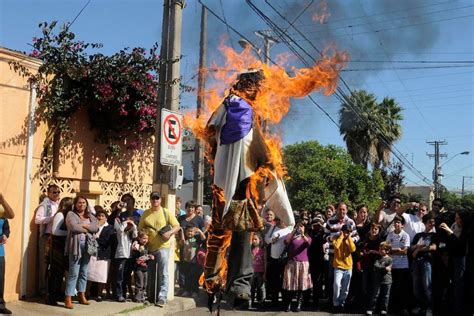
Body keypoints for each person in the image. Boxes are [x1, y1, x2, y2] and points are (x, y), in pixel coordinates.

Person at [202, 69, 295, 311]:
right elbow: (256, 148)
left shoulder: (226, 105)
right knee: (239, 232)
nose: (262, 92)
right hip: (241, 182)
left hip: (225, 181)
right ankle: (237, 286)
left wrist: (214, 153)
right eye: (259, 87)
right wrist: (268, 165)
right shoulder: (247, 110)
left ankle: (215, 283)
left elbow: (209, 130)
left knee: (220, 231)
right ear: (250, 86)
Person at [138, 191, 180, 307]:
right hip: (150, 247)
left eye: (157, 198)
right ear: (150, 200)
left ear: (160, 200)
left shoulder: (166, 212)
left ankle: (162, 297)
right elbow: (140, 229)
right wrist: (143, 238)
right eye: (153, 198)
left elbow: (177, 226)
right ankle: (151, 296)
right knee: (150, 272)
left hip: (163, 247)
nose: (155, 200)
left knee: (163, 272)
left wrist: (170, 233)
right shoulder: (146, 213)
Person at [64, 196, 99, 309]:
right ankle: (68, 297)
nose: (82, 205)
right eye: (79, 203)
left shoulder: (90, 216)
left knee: (84, 272)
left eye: (84, 203)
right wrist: (87, 228)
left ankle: (81, 295)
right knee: (74, 273)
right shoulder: (71, 214)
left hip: (88, 248)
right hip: (75, 247)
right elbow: (73, 227)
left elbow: (96, 228)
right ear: (75, 204)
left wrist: (84, 226)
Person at [439, 209, 471, 314]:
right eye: (455, 217)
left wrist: (450, 233)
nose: (456, 220)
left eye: (458, 218)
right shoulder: (454, 226)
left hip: (462, 260)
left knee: (459, 286)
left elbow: (461, 246)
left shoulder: (468, 229)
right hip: (452, 259)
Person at [35, 184, 61, 296]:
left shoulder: (60, 205)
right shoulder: (44, 205)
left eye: (58, 192)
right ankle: (42, 290)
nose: (56, 194)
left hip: (58, 238)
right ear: (49, 193)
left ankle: (54, 289)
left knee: (56, 264)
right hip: (47, 237)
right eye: (54, 192)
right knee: (44, 263)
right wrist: (50, 219)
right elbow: (37, 220)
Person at [47, 197, 73, 306]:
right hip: (58, 247)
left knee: (62, 272)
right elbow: (55, 231)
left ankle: (58, 294)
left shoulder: (68, 215)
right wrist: (69, 233)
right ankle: (51, 297)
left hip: (64, 247)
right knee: (56, 273)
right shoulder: (60, 215)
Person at [410, 213, 437, 315]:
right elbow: (411, 248)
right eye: (430, 222)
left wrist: (419, 249)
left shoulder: (435, 235)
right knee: (416, 287)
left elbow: (433, 247)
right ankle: (420, 306)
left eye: (433, 222)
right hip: (416, 262)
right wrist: (417, 246)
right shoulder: (418, 235)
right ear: (425, 223)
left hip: (427, 262)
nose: (432, 224)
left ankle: (430, 308)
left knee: (427, 286)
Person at [282, 221, 312, 313]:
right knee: (290, 285)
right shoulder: (291, 236)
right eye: (298, 226)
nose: (300, 228)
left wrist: (302, 234)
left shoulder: (307, 237)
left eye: (302, 226)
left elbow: (308, 243)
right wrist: (293, 231)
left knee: (301, 285)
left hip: (303, 264)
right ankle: (288, 304)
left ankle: (299, 304)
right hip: (292, 263)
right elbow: (286, 241)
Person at [86, 209, 114, 302]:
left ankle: (100, 294)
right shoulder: (93, 226)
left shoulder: (110, 227)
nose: (100, 218)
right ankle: (86, 293)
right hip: (92, 252)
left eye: (102, 216)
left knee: (101, 275)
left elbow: (106, 241)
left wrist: (96, 239)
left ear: (106, 218)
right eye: (98, 216)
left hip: (103, 254)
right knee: (89, 274)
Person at [264, 217, 292, 307]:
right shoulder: (273, 228)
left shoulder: (289, 229)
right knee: (274, 280)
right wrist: (272, 240)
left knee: (284, 281)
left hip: (284, 259)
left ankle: (285, 301)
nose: (281, 222)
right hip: (273, 258)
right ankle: (274, 301)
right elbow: (266, 238)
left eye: (283, 220)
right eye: (280, 220)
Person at [386, 214, 410, 314]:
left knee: (402, 288)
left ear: (402, 225)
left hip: (403, 266)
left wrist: (393, 250)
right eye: (395, 222)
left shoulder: (405, 235)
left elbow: (405, 251)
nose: (397, 224)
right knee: (392, 287)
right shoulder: (390, 235)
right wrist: (397, 249)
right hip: (392, 266)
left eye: (399, 222)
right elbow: (386, 250)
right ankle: (392, 308)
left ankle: (402, 308)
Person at [114, 203, 138, 302]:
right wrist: (125, 222)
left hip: (129, 255)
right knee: (119, 276)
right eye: (128, 224)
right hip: (121, 255)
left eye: (130, 224)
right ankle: (118, 294)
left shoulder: (129, 234)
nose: (129, 226)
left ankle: (123, 293)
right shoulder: (121, 233)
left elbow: (136, 234)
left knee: (126, 275)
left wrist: (134, 226)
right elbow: (120, 229)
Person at [332, 224, 356, 311]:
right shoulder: (337, 238)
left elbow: (353, 249)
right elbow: (336, 247)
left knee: (345, 288)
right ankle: (336, 303)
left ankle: (341, 304)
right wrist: (341, 236)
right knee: (337, 285)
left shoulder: (350, 239)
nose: (347, 233)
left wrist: (349, 238)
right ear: (342, 231)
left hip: (348, 267)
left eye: (349, 232)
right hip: (338, 266)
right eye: (346, 231)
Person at [366, 241, 393, 315]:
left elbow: (389, 268)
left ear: (387, 250)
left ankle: (384, 309)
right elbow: (376, 266)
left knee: (386, 296)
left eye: (382, 249)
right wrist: (384, 268)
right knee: (375, 295)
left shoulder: (390, 259)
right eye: (379, 249)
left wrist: (382, 268)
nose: (380, 250)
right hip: (377, 279)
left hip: (387, 280)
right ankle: (371, 309)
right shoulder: (377, 257)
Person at [179, 223, 205, 298]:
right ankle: (187, 290)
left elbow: (204, 239)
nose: (190, 233)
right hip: (186, 261)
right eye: (188, 231)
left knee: (194, 277)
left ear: (194, 232)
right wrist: (182, 231)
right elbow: (182, 242)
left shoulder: (196, 238)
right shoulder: (185, 239)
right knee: (187, 277)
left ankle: (195, 291)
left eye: (191, 231)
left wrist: (199, 231)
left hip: (194, 262)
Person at [360, 223, 382, 307]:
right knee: (365, 287)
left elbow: (382, 253)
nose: (374, 230)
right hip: (366, 266)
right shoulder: (366, 240)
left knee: (375, 288)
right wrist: (363, 253)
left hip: (376, 267)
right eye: (372, 228)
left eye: (376, 229)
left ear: (379, 231)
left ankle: (374, 306)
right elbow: (363, 250)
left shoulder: (380, 241)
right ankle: (366, 305)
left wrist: (372, 252)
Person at [307, 213, 326, 308]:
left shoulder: (323, 232)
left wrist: (322, 227)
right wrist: (311, 226)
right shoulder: (309, 231)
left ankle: (316, 301)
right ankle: (306, 299)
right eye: (315, 223)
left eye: (319, 223)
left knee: (317, 281)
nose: (317, 225)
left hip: (319, 259)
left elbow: (327, 235)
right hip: (308, 258)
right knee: (307, 279)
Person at [0, 193, 15, 314]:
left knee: (0, 279)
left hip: (0, 252)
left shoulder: (1, 211)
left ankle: (0, 305)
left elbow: (11, 216)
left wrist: (5, 235)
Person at [131, 231, 154, 303]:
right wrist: (137, 250)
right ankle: (137, 297)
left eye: (147, 238)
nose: (145, 240)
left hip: (145, 268)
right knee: (139, 283)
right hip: (138, 268)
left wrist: (151, 256)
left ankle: (142, 297)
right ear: (139, 238)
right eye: (144, 238)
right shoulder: (137, 245)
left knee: (144, 284)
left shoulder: (147, 246)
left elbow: (149, 255)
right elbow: (135, 256)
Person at [250, 233, 265, 309]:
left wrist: (265, 273)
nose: (254, 241)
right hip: (252, 272)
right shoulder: (251, 250)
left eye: (255, 239)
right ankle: (251, 301)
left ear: (260, 240)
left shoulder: (262, 250)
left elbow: (265, 262)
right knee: (251, 288)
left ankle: (262, 302)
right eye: (253, 239)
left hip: (260, 271)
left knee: (261, 287)